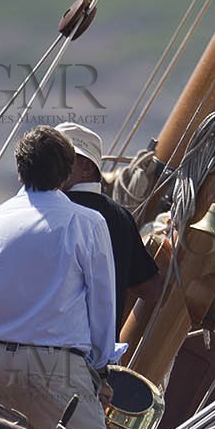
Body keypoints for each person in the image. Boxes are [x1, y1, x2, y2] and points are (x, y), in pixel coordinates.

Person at [0, 126, 116, 429]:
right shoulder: (88, 223)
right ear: (66, 170)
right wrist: (100, 366)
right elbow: (102, 304)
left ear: (19, 171)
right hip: (57, 371)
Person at [55, 121, 163, 334]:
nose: (49, 165)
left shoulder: (45, 210)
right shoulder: (120, 217)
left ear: (85, 167)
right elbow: (150, 289)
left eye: (58, 159)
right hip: (92, 357)